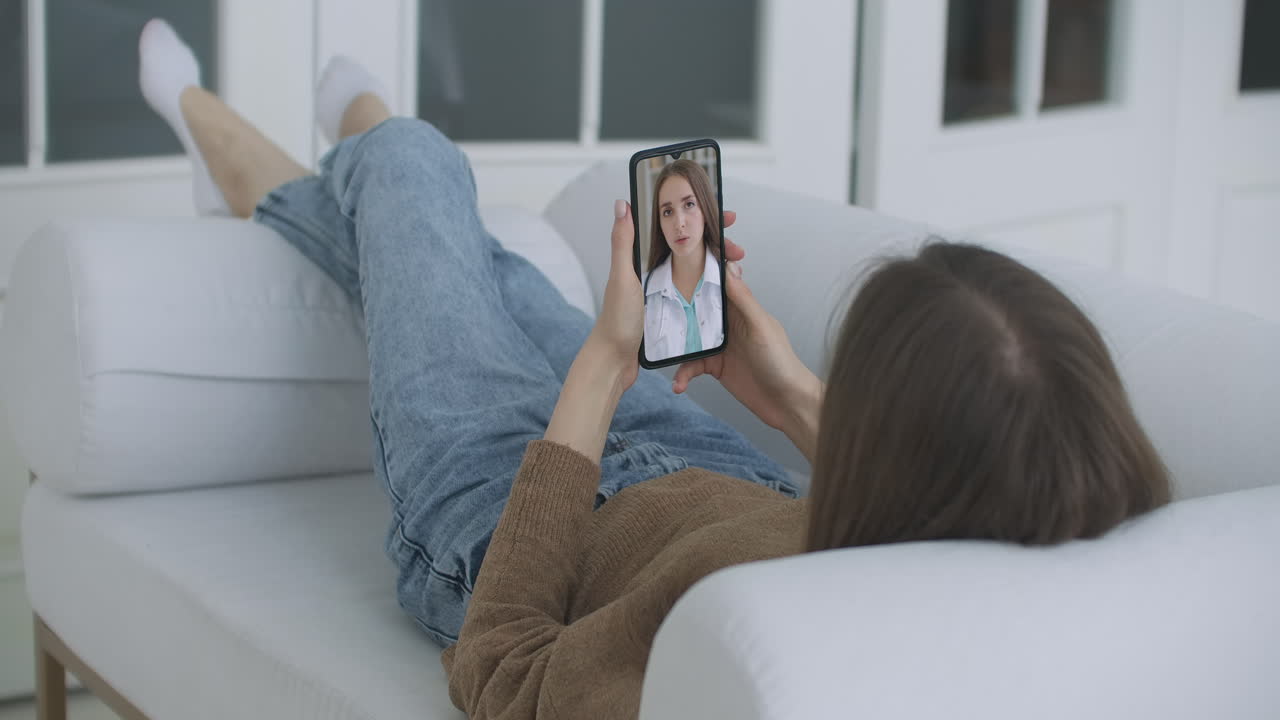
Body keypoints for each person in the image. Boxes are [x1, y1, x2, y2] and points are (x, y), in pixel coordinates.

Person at [139, 19, 1171, 719]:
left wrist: (603, 363)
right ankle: (321, 141)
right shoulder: (1011, 546)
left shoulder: (740, 653)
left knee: (413, 171)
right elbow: (914, 516)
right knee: (470, 258)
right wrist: (786, 395)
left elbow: (502, 669)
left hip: (505, 513)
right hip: (709, 463)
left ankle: (256, 123)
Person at [642, 159, 725, 362]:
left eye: (689, 204)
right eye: (667, 212)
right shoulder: (641, 290)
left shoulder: (731, 282)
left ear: (705, 209)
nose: (679, 223)